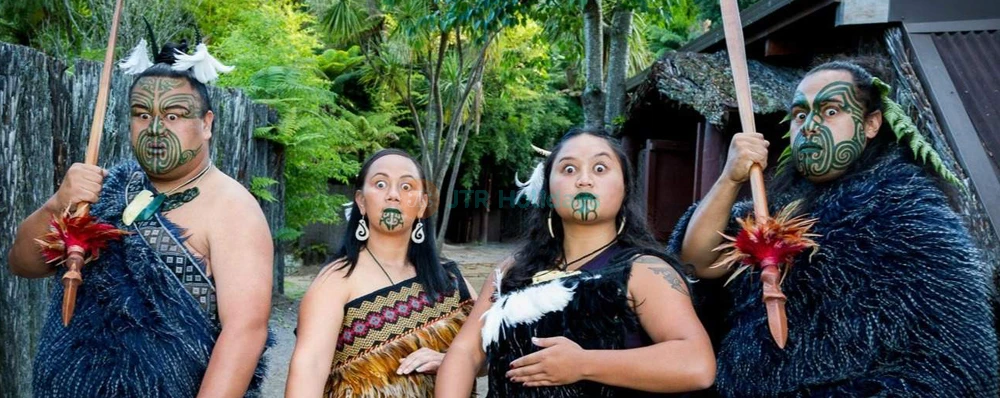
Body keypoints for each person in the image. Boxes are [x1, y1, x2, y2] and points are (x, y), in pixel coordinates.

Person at [671, 60, 999, 396]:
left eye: (830, 111)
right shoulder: (771, 213)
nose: (810, 126)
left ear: (871, 124)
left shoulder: (913, 218)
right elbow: (698, 261)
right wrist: (730, 177)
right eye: (800, 115)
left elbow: (954, 363)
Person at [7, 36, 273, 397]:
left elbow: (245, 331)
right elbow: (22, 263)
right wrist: (58, 203)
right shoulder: (107, 188)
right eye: (142, 114)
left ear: (206, 123)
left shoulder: (234, 209)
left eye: (174, 115)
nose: (156, 129)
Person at [436, 128, 716, 397]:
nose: (584, 180)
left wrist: (583, 364)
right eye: (568, 169)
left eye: (600, 168)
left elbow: (696, 364)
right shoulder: (511, 270)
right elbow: (465, 352)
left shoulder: (645, 270)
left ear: (624, 187)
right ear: (548, 190)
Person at [285, 149, 477, 397]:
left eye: (407, 186)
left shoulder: (450, 282)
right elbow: (308, 370)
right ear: (361, 202)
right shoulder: (337, 281)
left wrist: (450, 362)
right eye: (381, 184)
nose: (394, 195)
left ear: (422, 205)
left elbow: (491, 359)